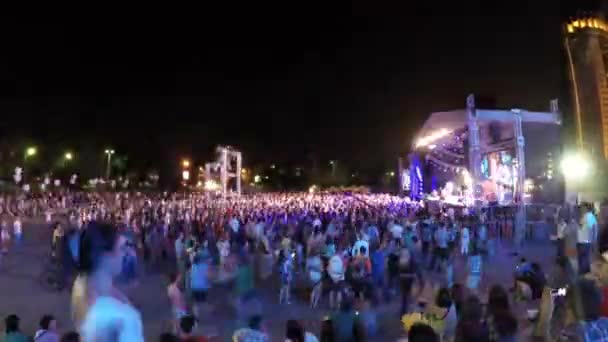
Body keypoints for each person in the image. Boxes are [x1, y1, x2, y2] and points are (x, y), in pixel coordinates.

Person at [72, 222, 144, 342]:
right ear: (106, 254)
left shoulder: (82, 284)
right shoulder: (125, 317)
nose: (124, 254)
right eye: (121, 248)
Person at [578, 205, 596, 274]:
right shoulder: (589, 217)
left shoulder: (586, 217)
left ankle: (583, 273)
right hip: (585, 241)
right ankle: (585, 273)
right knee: (585, 259)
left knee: (583, 259)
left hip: (583, 242)